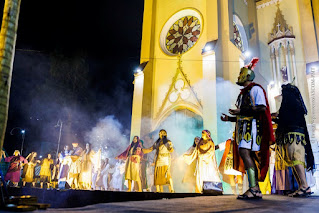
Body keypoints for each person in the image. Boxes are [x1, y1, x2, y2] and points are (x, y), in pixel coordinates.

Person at [221, 58, 275, 199]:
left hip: (252, 128)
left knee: (245, 152)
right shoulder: (244, 93)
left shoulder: (255, 89)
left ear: (247, 75)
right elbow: (243, 114)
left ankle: (253, 188)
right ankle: (254, 188)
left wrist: (241, 111)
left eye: (241, 74)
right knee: (246, 154)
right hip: (244, 128)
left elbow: (262, 108)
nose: (239, 76)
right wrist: (230, 119)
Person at [272, 84, 315, 197]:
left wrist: (277, 117)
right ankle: (302, 186)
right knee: (293, 160)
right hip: (292, 134)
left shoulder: (293, 104)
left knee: (296, 159)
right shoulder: (293, 104)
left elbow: (287, 118)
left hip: (294, 135)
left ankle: (304, 186)